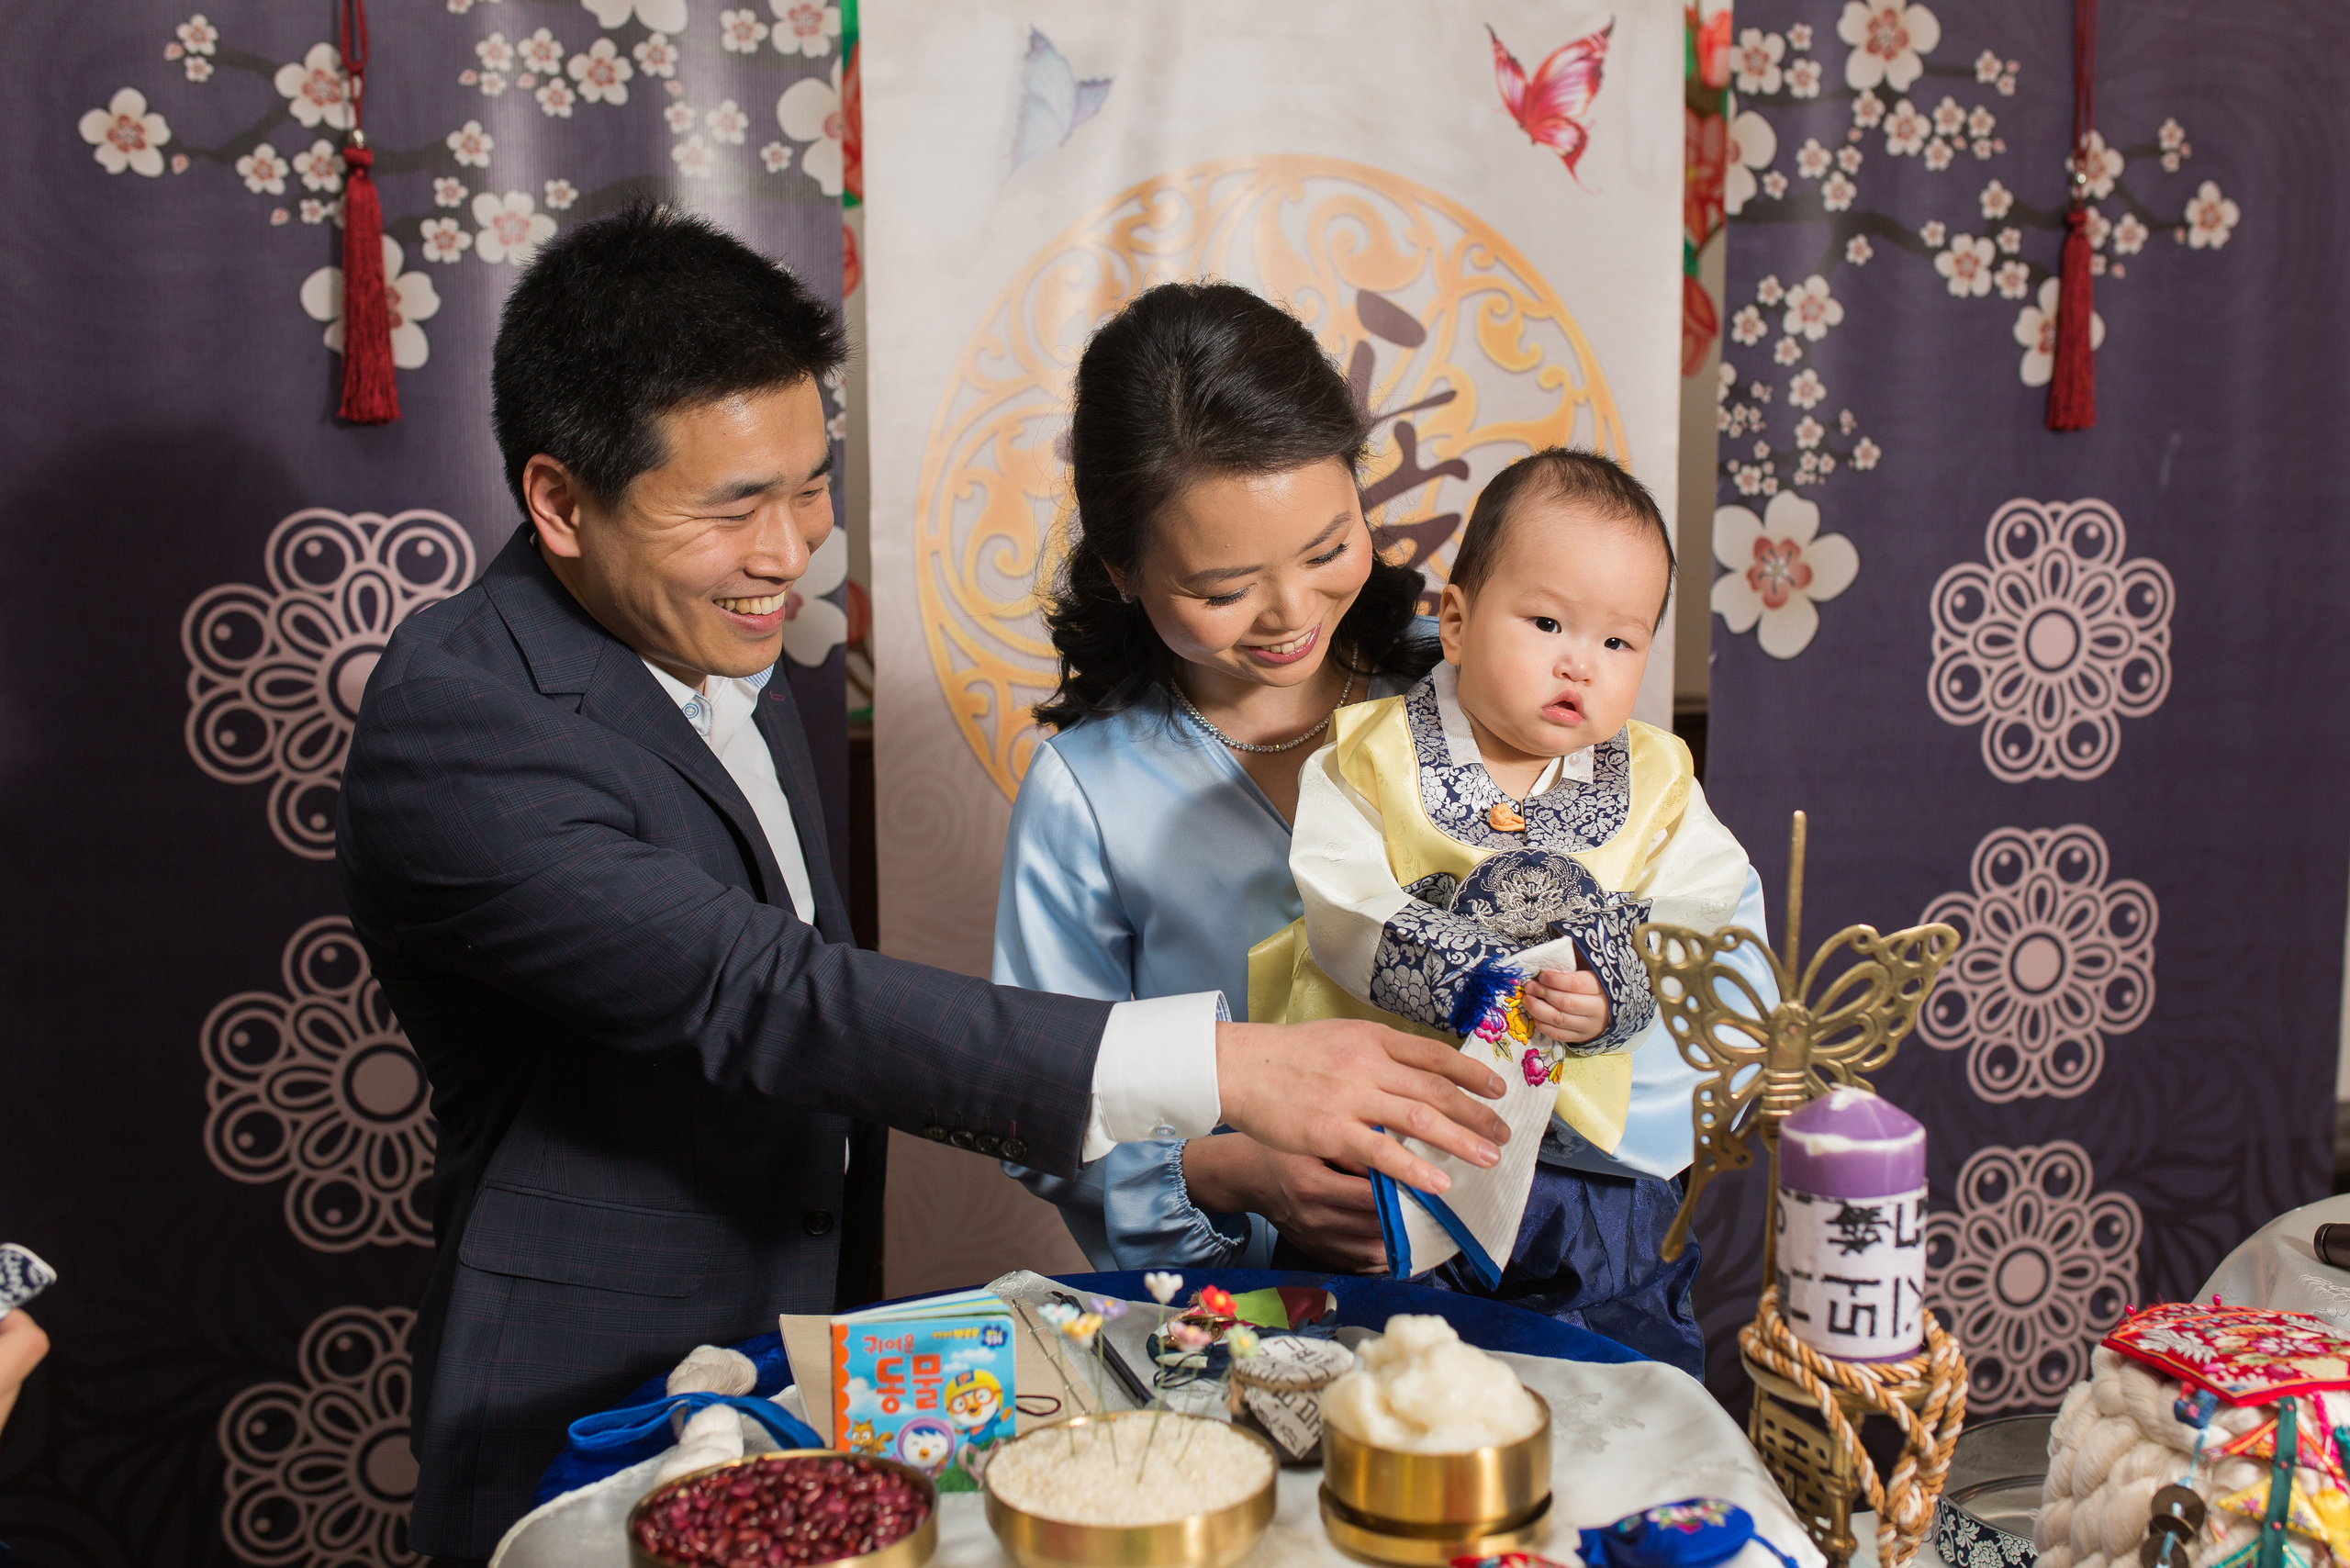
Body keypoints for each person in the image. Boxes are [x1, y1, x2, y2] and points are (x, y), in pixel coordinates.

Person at [336, 206, 1514, 1562]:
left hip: (799, 1341)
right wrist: (1231, 1075)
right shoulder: (460, 721)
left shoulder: (726, 647)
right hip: (584, 1370)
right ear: (559, 500)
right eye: (733, 508)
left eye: (809, 485)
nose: (792, 550)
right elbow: (760, 992)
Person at [1259, 448, 1778, 1372]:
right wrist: (1478, 975)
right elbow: (1339, 897)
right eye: (1545, 621)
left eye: (1619, 642)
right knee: (1382, 1357)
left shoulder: (1656, 779)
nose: (1579, 662)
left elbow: (1711, 912)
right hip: (1405, 1128)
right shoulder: (1374, 755)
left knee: (1613, 1360)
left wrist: (1612, 981)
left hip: (1591, 1156)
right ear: (1454, 622)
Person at [995, 282, 1445, 1275]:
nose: (1291, 612)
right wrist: (1236, 1172)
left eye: (1329, 549)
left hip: (1523, 1276)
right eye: (1221, 589)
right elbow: (1039, 1101)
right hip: (1236, 1318)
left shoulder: (1467, 693)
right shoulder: (1088, 792)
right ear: (1121, 569)